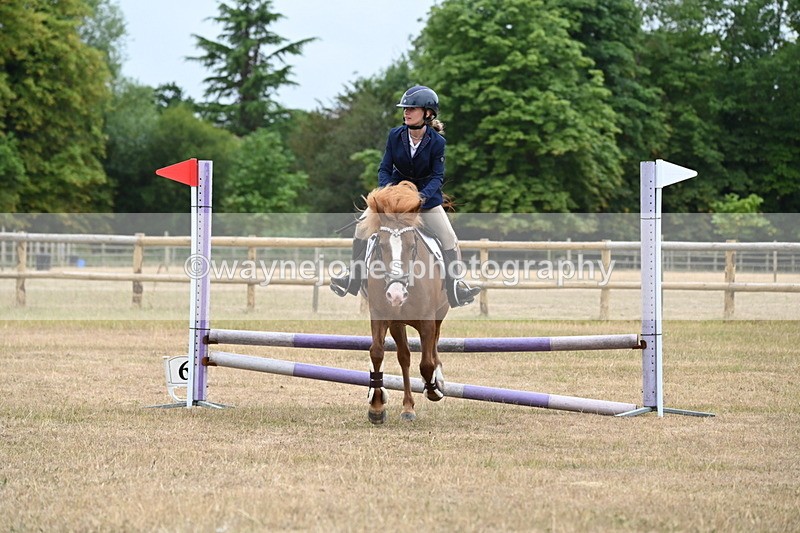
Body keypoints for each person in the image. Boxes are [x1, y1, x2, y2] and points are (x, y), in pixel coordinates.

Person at [330, 85, 481, 307]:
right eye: (405, 109)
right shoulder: (395, 135)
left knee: (449, 237)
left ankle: (456, 285)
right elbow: (384, 169)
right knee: (361, 227)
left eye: (412, 108)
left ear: (428, 114)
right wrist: (389, 192)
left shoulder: (437, 143)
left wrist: (419, 198)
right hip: (393, 201)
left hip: (425, 202)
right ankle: (352, 276)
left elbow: (437, 178)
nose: (406, 112)